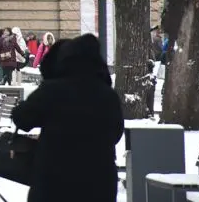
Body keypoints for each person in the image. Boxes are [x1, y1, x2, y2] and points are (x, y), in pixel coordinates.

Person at [12, 35, 124, 202]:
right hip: (99, 181)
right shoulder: (108, 95)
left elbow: (22, 118)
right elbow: (116, 133)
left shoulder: (52, 90)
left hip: (54, 181)